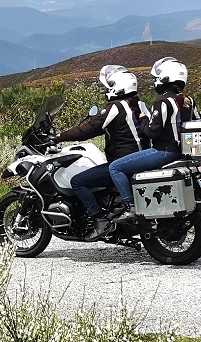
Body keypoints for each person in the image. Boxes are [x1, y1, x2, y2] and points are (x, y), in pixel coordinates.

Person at [53, 65, 151, 240]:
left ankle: (99, 220)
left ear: (118, 86)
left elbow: (90, 128)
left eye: (110, 85)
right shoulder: (142, 106)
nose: (107, 89)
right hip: (144, 159)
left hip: (122, 162)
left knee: (78, 181)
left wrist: (60, 137)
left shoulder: (115, 107)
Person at [107, 57, 201, 221]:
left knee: (115, 167)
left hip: (164, 151)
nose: (156, 82)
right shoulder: (189, 101)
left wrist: (143, 119)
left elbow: (151, 132)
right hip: (183, 152)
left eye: (157, 78)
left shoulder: (163, 102)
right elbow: (198, 123)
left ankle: (130, 207)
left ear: (165, 78)